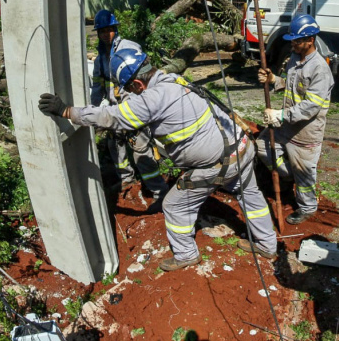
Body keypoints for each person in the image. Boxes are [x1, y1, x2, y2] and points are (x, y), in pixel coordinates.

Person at [39, 48, 278, 271]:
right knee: (251, 195)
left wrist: (68, 111)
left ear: (138, 83)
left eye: (130, 90)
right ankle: (267, 245)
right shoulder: (173, 79)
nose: (130, 94)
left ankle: (186, 254)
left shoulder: (150, 99)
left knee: (174, 205)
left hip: (216, 164)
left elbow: (111, 117)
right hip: (242, 147)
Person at [256, 14, 334, 225]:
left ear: (310, 40)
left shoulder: (319, 69)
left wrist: (280, 115)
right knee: (262, 146)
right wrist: (274, 80)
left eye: (297, 40)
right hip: (287, 126)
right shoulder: (294, 59)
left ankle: (307, 208)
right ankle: (289, 175)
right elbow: (292, 88)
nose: (293, 44)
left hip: (305, 131)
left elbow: (310, 107)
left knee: (305, 174)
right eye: (292, 40)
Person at [90, 9, 167, 197]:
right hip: (114, 107)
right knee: (115, 146)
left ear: (115, 29)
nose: (105, 34)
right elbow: (98, 84)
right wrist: (92, 108)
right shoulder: (101, 56)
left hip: (133, 105)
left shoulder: (128, 47)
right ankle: (127, 179)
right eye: (101, 31)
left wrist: (140, 106)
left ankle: (157, 189)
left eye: (109, 30)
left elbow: (142, 77)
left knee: (139, 146)